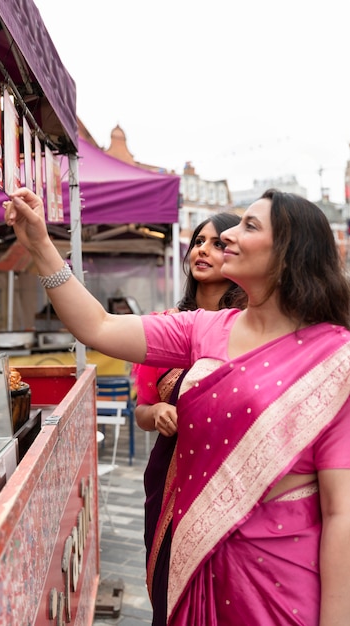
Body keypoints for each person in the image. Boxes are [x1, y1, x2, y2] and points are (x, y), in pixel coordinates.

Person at [4, 187, 350, 625]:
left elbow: (343, 513)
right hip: (193, 566)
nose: (227, 238)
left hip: (277, 584)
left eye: (249, 226)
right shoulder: (202, 329)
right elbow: (98, 326)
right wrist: (40, 245)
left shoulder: (335, 361)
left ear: (290, 251)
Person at [133, 213, 245, 625]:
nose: (203, 249)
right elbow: (141, 409)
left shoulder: (252, 330)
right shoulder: (165, 327)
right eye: (199, 241)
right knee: (169, 589)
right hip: (168, 482)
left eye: (218, 243)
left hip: (230, 480)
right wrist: (157, 411)